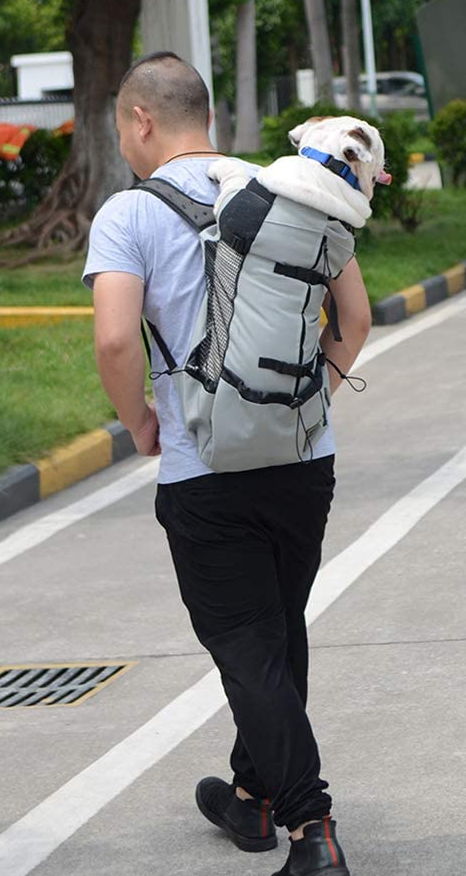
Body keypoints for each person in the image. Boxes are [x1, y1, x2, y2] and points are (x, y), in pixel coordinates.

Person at [82, 51, 371, 876]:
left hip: (204, 468)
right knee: (276, 634)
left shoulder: (128, 215)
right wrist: (307, 403)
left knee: (248, 647)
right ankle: (250, 797)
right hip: (302, 459)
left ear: (140, 119)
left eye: (121, 128)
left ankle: (310, 829)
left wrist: (140, 418)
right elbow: (351, 314)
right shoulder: (290, 186)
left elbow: (112, 337)